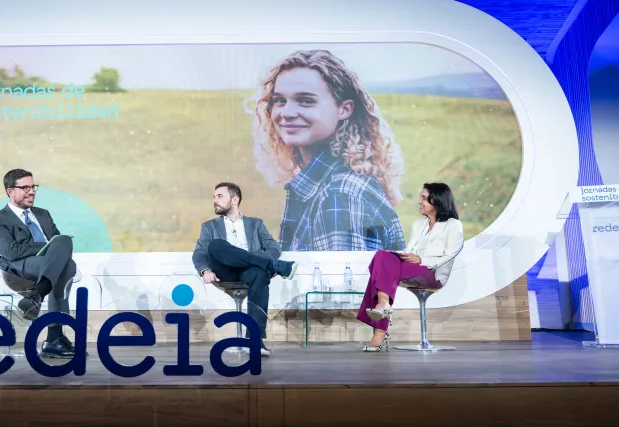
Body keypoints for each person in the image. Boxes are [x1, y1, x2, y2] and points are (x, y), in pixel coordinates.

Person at [251, 49, 406, 251]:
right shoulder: (325, 185)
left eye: (306, 101)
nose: (286, 113)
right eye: (280, 100)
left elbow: (343, 282)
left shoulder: (339, 195)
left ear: (344, 109)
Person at [192, 182, 298, 356]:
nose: (214, 200)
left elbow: (274, 248)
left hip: (249, 271)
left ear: (235, 199)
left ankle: (255, 340)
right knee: (216, 245)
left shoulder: (256, 224)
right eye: (214, 197)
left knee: (260, 273)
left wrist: (259, 261)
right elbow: (200, 253)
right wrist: (205, 270)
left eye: (219, 196)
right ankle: (276, 267)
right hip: (224, 271)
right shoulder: (209, 226)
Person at [356, 182, 464, 352]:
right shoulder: (418, 224)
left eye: (423, 198)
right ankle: (383, 303)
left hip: (432, 272)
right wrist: (404, 257)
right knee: (381, 256)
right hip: (413, 268)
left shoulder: (453, 224)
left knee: (379, 271)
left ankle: (380, 330)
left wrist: (421, 259)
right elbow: (410, 252)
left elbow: (450, 254)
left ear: (436, 200)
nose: (419, 201)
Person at [0, 169, 80, 359]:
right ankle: (54, 338)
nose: (32, 191)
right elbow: (11, 252)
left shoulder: (43, 214)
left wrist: (53, 246)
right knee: (65, 265)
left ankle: (37, 295)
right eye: (25, 187)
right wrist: (47, 246)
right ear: (10, 191)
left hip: (46, 265)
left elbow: (59, 247)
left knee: (64, 244)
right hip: (19, 268)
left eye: (33, 187)